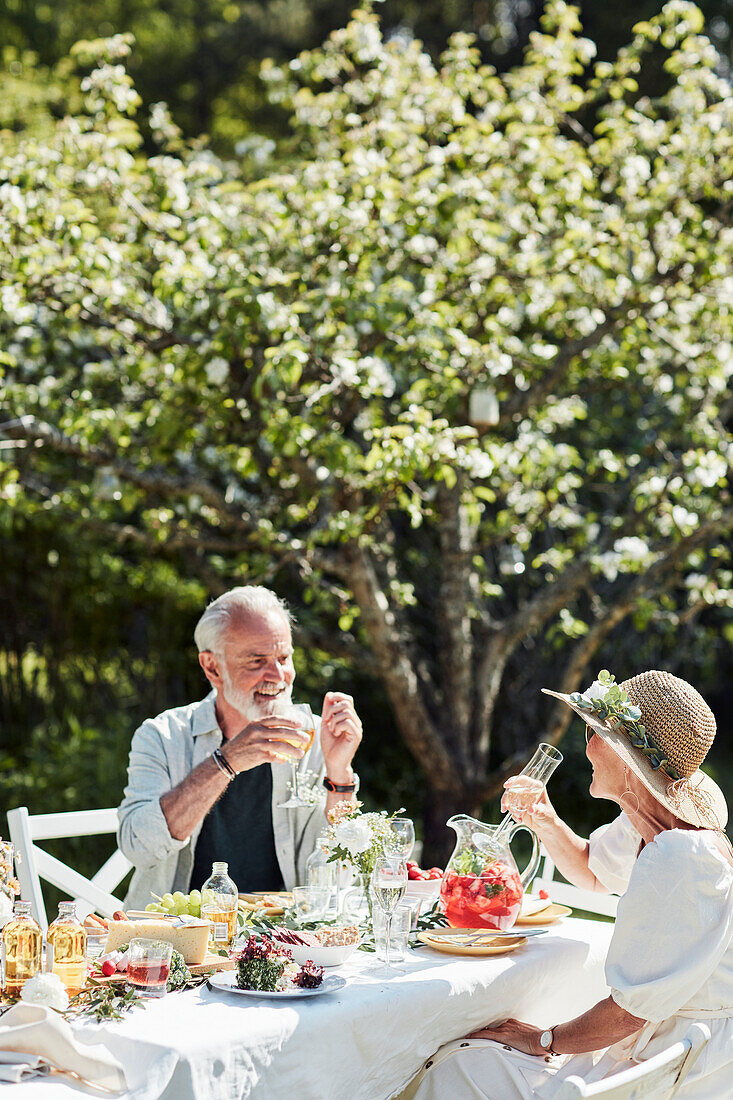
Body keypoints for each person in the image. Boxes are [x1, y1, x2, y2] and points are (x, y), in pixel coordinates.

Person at [407, 669, 733, 1100]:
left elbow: (626, 1016)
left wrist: (543, 1040)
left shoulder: (680, 858)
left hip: (668, 1071)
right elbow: (592, 873)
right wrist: (544, 817)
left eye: (595, 732)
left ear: (628, 762)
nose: (586, 745)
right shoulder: (650, 825)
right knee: (479, 1048)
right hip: (657, 1053)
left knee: (453, 1062)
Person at [117, 586, 363, 910]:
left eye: (284, 658)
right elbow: (139, 847)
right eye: (257, 661)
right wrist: (226, 761)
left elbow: (334, 879)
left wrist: (340, 773)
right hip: (179, 941)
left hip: (283, 941)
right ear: (212, 667)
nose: (278, 676)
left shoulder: (313, 737)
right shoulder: (162, 736)